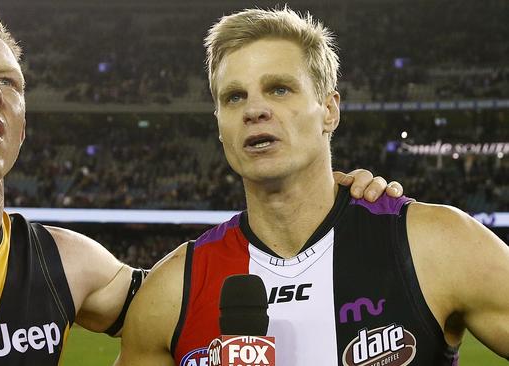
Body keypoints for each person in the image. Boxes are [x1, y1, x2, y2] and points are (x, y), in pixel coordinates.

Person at [0, 2, 401, 365]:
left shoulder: (68, 265)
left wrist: (328, 203)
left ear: (22, 121)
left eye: (8, 82)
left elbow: (199, 294)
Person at [115, 7, 509, 366]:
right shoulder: (170, 291)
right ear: (220, 126)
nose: (254, 110)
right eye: (234, 97)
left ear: (330, 110)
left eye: (279, 89)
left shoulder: (437, 245)